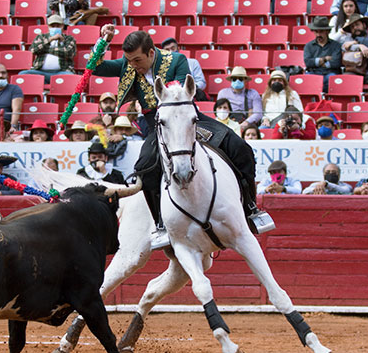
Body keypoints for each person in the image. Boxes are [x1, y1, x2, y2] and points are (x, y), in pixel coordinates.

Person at [93, 26, 270, 247]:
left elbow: (179, 94)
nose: (133, 66)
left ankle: (251, 208)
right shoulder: (128, 65)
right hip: (156, 124)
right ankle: (160, 224)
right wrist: (103, 41)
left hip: (189, 118)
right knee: (145, 167)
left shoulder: (176, 59)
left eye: (137, 60)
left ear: (151, 53)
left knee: (239, 147)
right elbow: (96, 67)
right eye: (129, 61)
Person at [19, 14, 77, 83]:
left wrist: (47, 49)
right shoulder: (41, 37)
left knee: (71, 77)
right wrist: (50, 40)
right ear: (48, 27)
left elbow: (69, 53)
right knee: (22, 75)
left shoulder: (69, 39)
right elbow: (34, 50)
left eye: (58, 26)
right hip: (40, 72)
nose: (55, 28)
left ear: (63, 26)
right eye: (52, 26)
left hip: (62, 72)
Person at [160, 37, 208, 102]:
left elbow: (201, 82)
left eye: (173, 48)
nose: (171, 52)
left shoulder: (193, 62)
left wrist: (192, 87)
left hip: (190, 94)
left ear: (178, 49)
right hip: (170, 97)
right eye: (167, 50)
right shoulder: (161, 67)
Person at [340, 13, 368, 82]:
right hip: (354, 71)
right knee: (345, 79)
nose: (355, 28)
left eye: (357, 24)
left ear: (364, 25)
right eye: (352, 27)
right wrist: (359, 46)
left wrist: (358, 42)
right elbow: (344, 47)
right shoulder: (348, 40)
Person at [304, 16, 343, 93]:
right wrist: (325, 59)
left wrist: (316, 62)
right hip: (313, 73)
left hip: (330, 73)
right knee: (306, 78)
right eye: (316, 32)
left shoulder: (336, 45)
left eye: (321, 31)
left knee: (333, 79)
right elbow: (308, 62)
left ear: (327, 31)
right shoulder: (308, 46)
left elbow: (336, 63)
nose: (318, 34)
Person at [217, 66, 262, 131]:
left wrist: (247, 122)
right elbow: (219, 111)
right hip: (228, 123)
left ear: (245, 80)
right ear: (231, 80)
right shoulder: (223, 93)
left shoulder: (253, 94)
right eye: (234, 79)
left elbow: (258, 113)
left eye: (240, 79)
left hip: (247, 125)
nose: (237, 81)